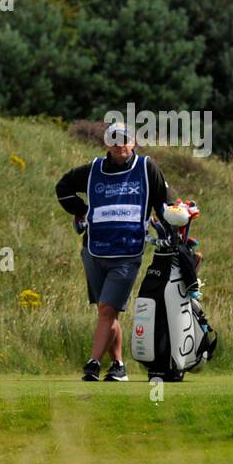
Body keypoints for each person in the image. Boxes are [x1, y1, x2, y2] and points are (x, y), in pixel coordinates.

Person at [56, 123, 173, 382]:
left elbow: (165, 204)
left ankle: (93, 363)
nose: (120, 144)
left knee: (107, 309)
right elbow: (62, 187)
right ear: (107, 143)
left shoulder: (146, 168)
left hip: (128, 252)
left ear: (133, 142)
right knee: (106, 312)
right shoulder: (93, 169)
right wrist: (82, 210)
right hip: (94, 249)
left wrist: (173, 227)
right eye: (114, 139)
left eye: (125, 139)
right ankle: (118, 366)